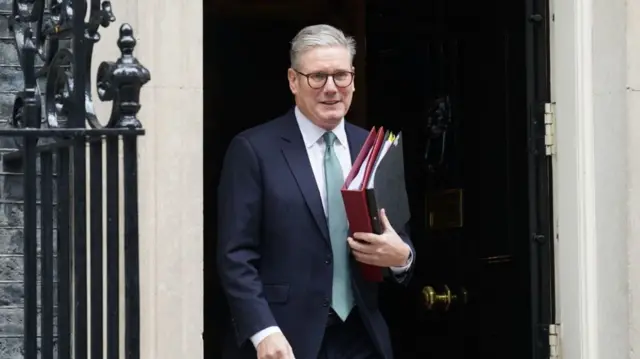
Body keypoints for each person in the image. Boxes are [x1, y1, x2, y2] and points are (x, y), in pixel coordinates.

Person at [217, 24, 415, 359]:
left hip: (360, 337)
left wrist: (402, 259)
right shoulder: (253, 149)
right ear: (293, 80)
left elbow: (399, 238)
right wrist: (263, 331)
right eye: (318, 77)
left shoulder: (372, 147)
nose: (331, 88)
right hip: (284, 339)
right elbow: (235, 256)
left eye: (341, 75)